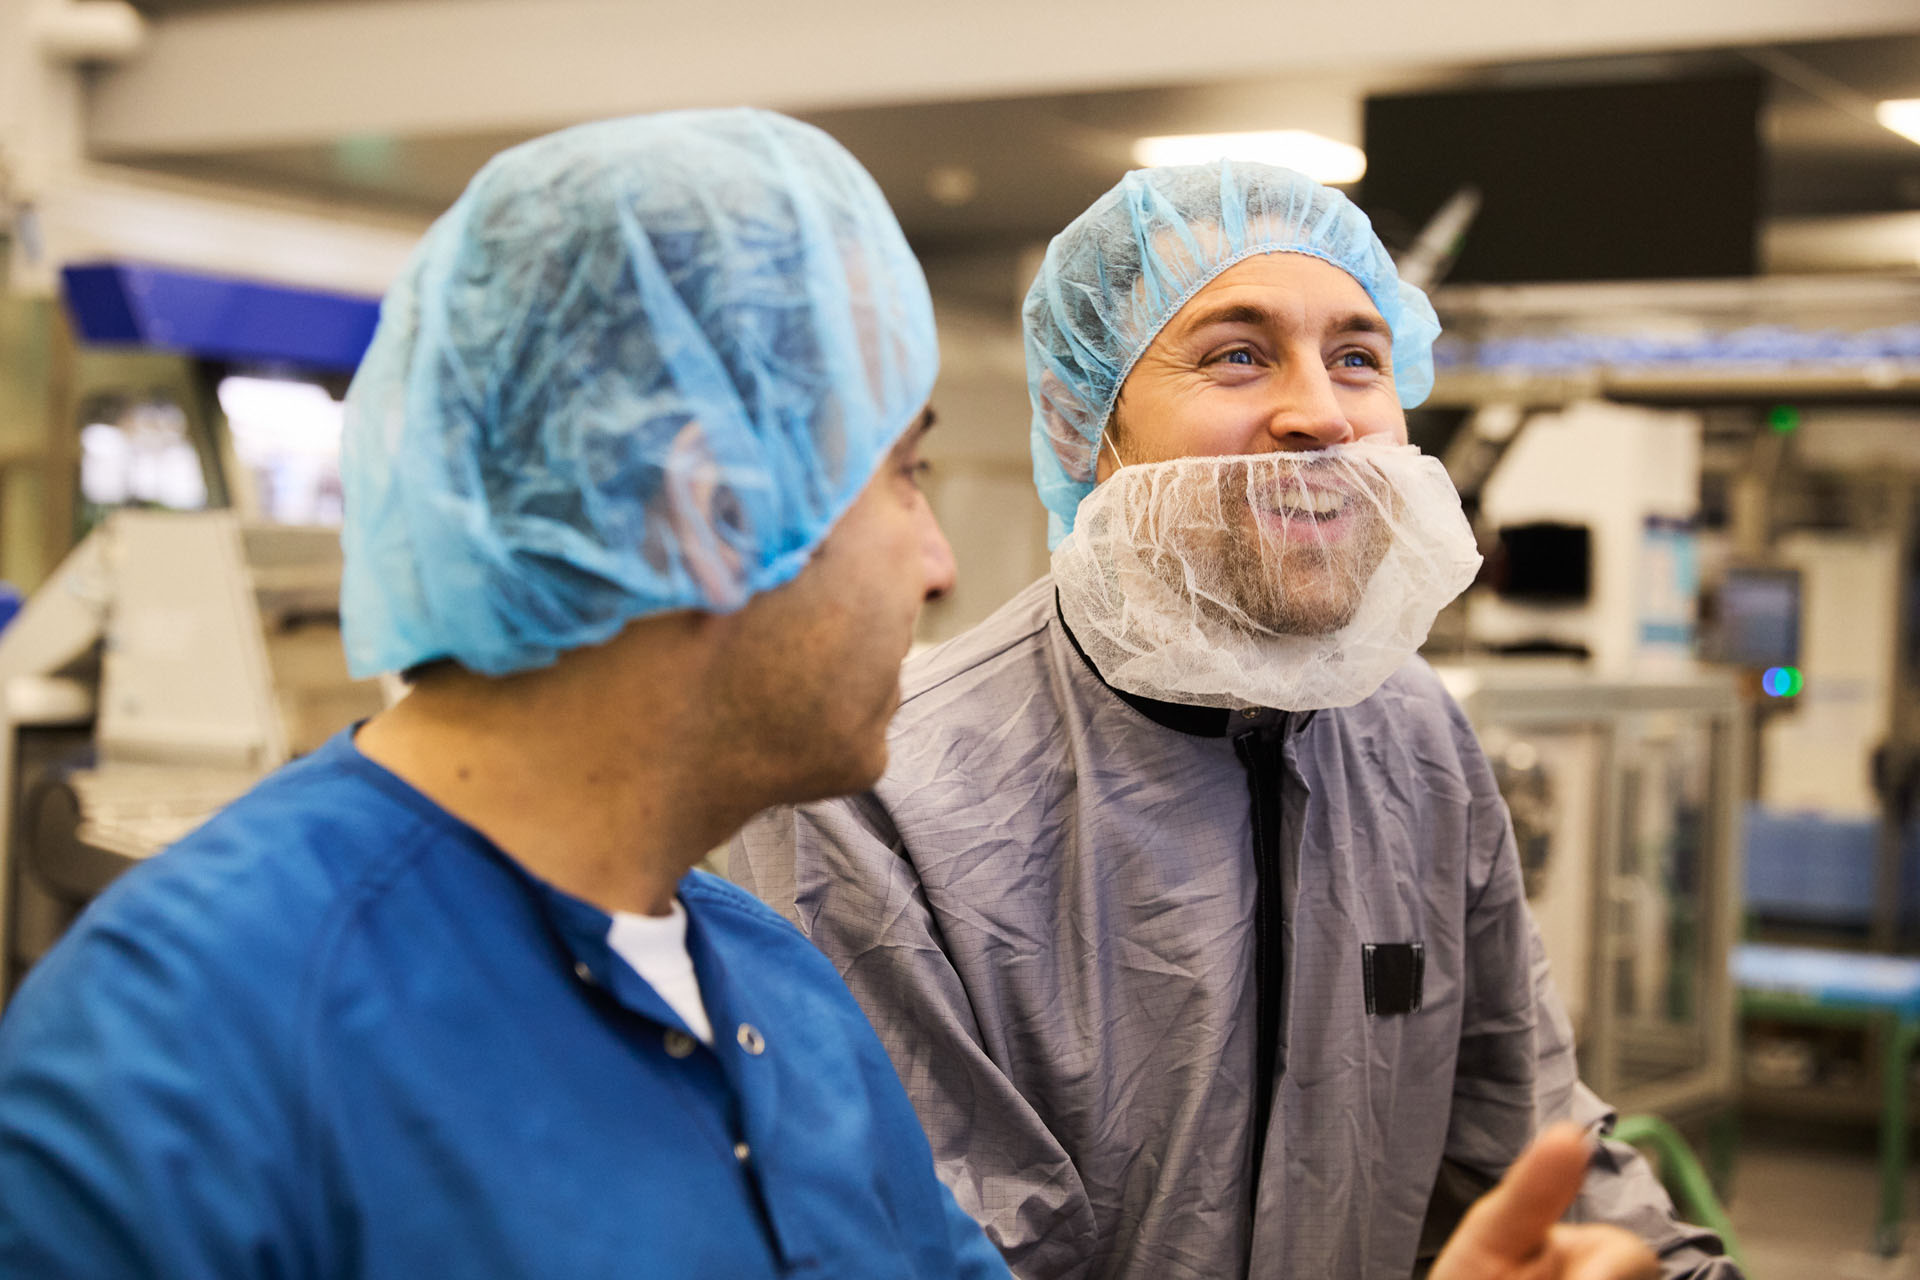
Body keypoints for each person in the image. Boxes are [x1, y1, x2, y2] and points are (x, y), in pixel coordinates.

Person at [0, 109, 1009, 1279]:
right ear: (713, 508)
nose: (939, 566)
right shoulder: (183, 1047)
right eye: (902, 474)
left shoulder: (775, 987)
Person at [732, 161, 1741, 1280]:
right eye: (1238, 354)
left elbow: (1531, 1131)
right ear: (1084, 425)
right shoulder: (881, 791)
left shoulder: (1414, 736)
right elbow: (945, 1253)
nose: (1320, 413)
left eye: (1359, 357)